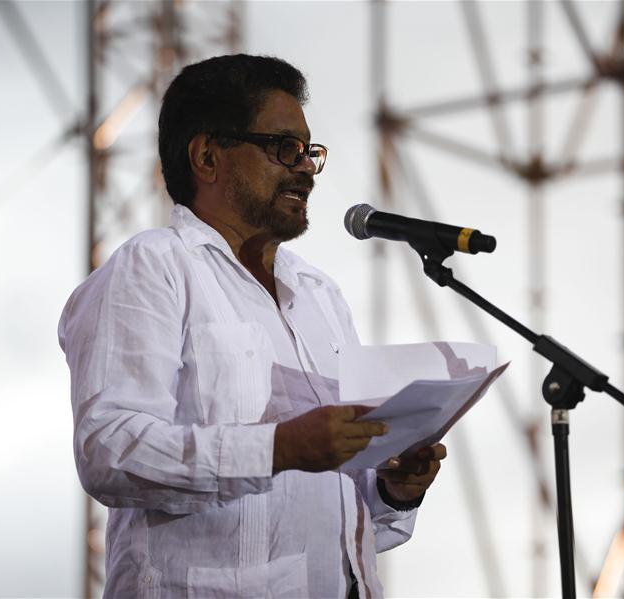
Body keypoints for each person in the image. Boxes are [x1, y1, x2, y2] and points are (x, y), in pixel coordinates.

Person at [59, 54, 447, 598]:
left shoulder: (320, 296)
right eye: (283, 148)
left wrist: (392, 488)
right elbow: (111, 452)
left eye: (309, 151)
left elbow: (340, 516)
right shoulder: (153, 267)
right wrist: (279, 447)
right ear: (207, 156)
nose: (305, 167)